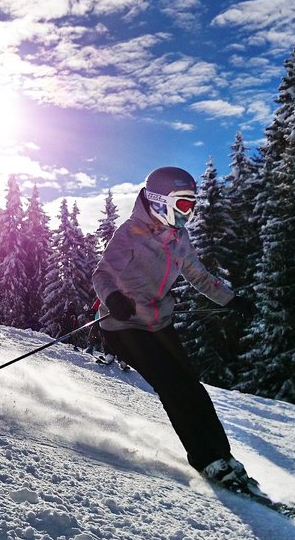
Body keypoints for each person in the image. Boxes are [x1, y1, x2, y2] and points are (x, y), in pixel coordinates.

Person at [92, 166, 257, 492]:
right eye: (182, 205)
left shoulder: (179, 238)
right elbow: (102, 275)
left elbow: (197, 275)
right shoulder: (129, 233)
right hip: (123, 324)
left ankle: (225, 457)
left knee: (192, 386)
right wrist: (113, 297)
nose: (188, 214)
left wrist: (230, 300)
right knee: (172, 386)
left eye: (191, 206)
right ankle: (206, 460)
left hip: (158, 321)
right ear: (158, 201)